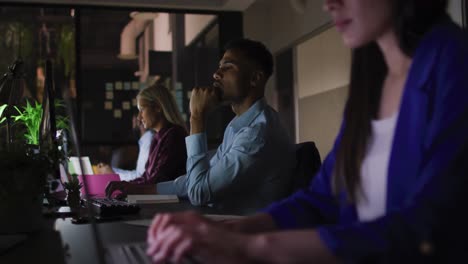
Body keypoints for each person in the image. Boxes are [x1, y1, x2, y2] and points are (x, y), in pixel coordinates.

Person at [145, 0, 468, 263]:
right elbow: (321, 200)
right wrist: (232, 231)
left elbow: (430, 228)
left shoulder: (453, 62)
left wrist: (254, 247)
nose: (329, 4)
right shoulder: (373, 79)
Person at [156, 39, 295, 214]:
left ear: (254, 78)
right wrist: (141, 190)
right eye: (219, 66)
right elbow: (199, 179)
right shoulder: (239, 125)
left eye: (228, 67)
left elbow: (199, 192)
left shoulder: (256, 134)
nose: (216, 74)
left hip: (245, 233)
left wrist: (197, 117)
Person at [105, 83, 187, 197]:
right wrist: (124, 185)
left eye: (142, 110)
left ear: (158, 107)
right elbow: (146, 177)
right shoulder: (158, 138)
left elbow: (157, 180)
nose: (139, 117)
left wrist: (128, 188)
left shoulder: (174, 135)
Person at [96, 113, 154, 181]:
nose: (133, 124)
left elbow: (140, 177)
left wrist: (113, 174)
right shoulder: (145, 139)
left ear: (138, 121)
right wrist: (109, 170)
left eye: (133, 120)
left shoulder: (148, 139)